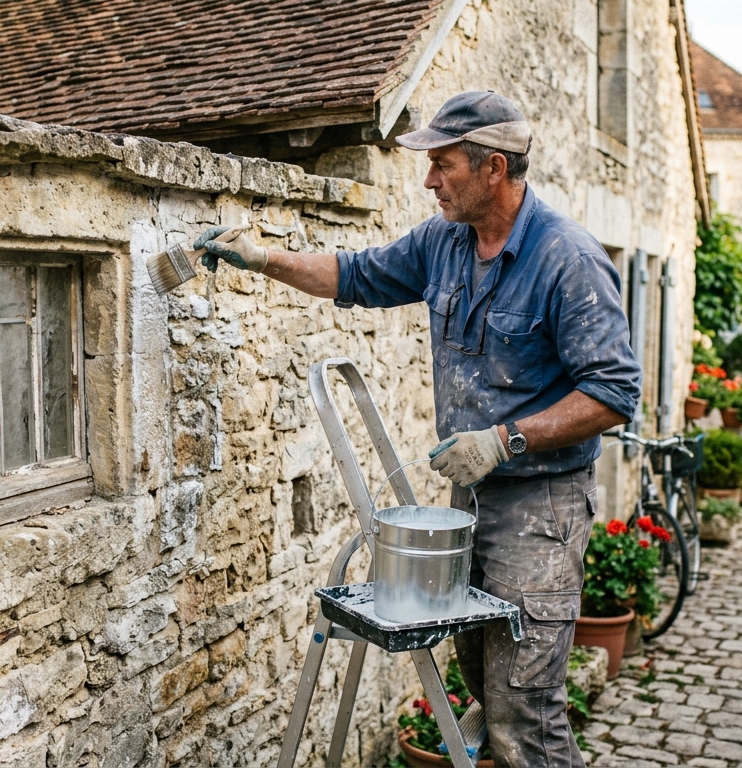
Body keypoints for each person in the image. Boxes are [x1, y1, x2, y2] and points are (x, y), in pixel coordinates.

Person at [192, 91, 640, 767]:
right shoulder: (445, 243)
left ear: (493, 168)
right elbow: (357, 275)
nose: (429, 180)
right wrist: (265, 259)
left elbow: (613, 393)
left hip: (539, 511)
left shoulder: (566, 259)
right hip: (468, 509)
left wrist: (502, 440)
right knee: (485, 692)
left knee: (524, 712)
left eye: (443, 164)